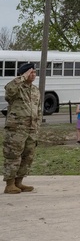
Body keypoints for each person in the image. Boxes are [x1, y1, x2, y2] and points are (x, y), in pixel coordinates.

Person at [3, 62, 40, 195]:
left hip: (31, 128)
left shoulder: (35, 90)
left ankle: (19, 182)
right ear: (24, 74)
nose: (34, 75)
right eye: (31, 72)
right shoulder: (16, 87)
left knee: (27, 156)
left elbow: (38, 110)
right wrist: (22, 78)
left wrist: (37, 127)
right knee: (13, 156)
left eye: (35, 72)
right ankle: (10, 184)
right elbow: (9, 90)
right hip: (16, 129)